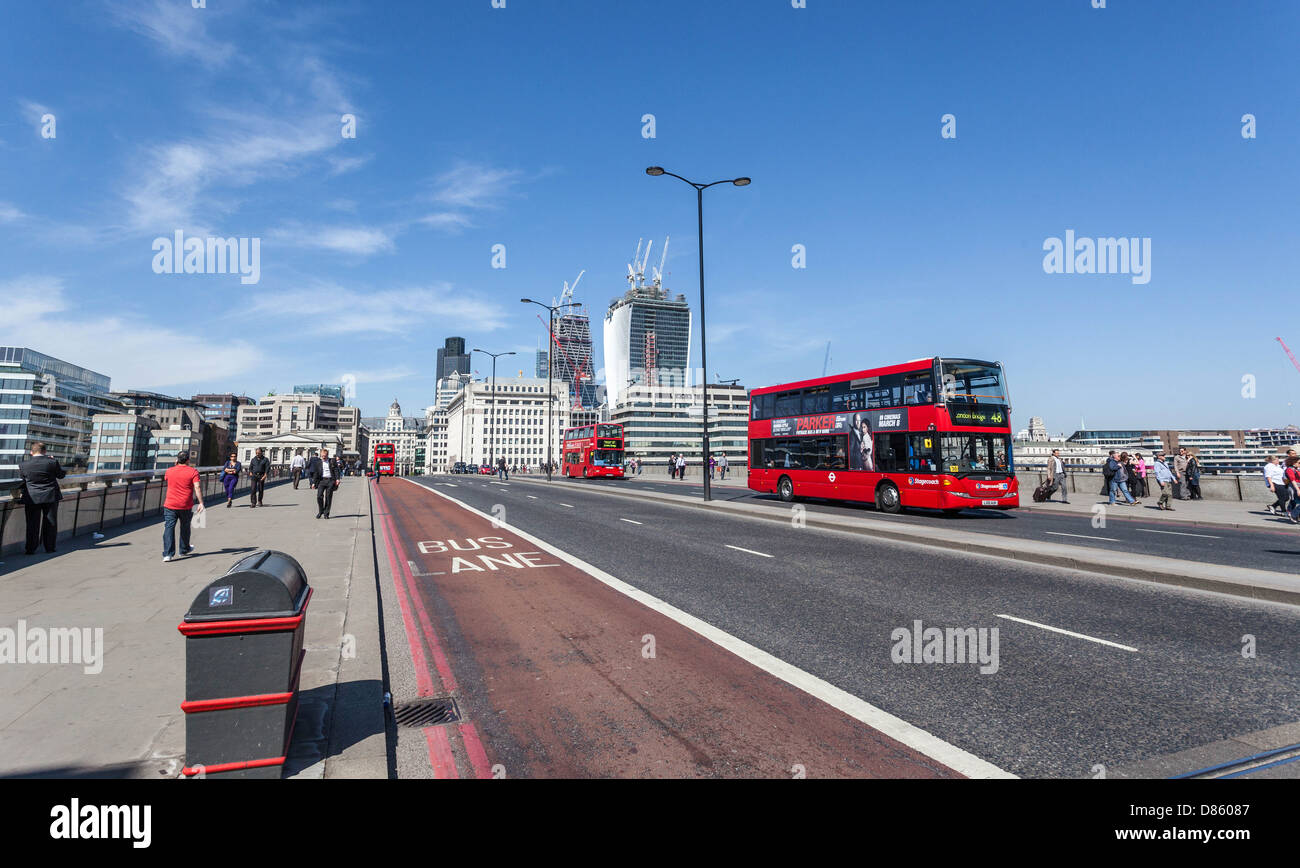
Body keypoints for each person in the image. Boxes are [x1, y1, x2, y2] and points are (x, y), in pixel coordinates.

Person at [18, 442, 66, 555]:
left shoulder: (23, 464)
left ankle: (30, 548)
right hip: (50, 496)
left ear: (31, 452)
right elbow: (61, 475)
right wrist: (54, 461)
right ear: (45, 452)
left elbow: (23, 480)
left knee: (32, 523)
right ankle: (49, 547)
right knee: (50, 522)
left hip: (32, 497)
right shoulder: (52, 462)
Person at [162, 450, 203, 562]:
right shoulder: (193, 471)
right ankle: (184, 549)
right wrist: (201, 503)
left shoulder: (169, 471)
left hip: (170, 504)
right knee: (185, 527)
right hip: (185, 504)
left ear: (177, 460)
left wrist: (175, 466)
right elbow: (197, 487)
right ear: (188, 460)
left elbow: (167, 479)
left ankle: (168, 554)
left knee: (169, 527)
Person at [306, 448, 341, 519]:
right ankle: (321, 511)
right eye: (322, 456)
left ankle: (326, 513)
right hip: (321, 481)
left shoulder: (332, 461)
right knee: (319, 496)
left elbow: (336, 470)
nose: (323, 458)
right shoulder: (318, 462)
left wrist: (337, 479)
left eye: (325, 456)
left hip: (330, 480)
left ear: (327, 455)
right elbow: (316, 473)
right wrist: (313, 483)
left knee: (328, 497)